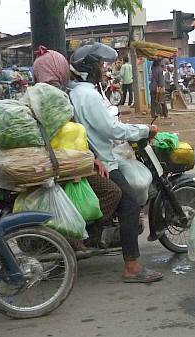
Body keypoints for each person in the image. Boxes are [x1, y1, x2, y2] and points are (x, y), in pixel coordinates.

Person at [68, 43, 163, 283]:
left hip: (96, 155)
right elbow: (110, 128)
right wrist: (144, 130)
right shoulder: (87, 95)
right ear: (90, 67)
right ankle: (131, 266)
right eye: (101, 64)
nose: (104, 68)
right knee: (130, 204)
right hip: (102, 160)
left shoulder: (79, 91)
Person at [33, 45, 123, 250]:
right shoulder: (54, 96)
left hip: (57, 158)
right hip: (63, 161)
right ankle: (84, 237)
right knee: (113, 192)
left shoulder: (39, 92)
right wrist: (91, 158)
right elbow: (61, 136)